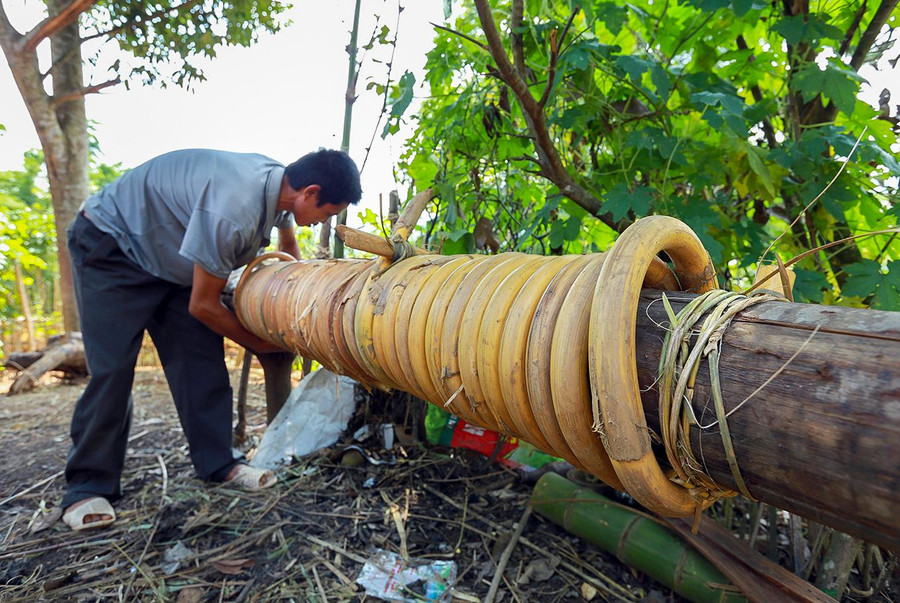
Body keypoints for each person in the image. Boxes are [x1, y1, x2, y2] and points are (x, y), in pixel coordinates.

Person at [61, 148, 361, 530]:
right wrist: (259, 342)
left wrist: (298, 296)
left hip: (171, 261)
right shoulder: (235, 209)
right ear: (311, 192)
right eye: (328, 213)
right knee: (113, 371)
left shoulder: (281, 189)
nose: (325, 220)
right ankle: (88, 486)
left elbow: (288, 251)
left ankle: (219, 463)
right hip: (113, 245)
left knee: (201, 361)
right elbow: (203, 305)